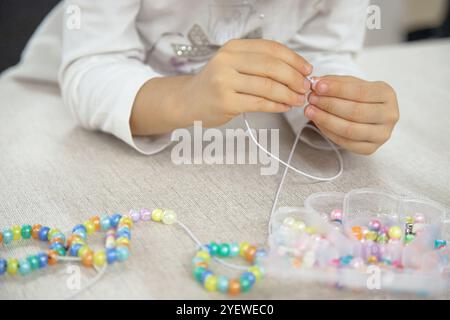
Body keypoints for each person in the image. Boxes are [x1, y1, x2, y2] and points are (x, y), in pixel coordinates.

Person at [12, 0, 399, 155]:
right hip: (43, 113)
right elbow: (91, 69)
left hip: (220, 143)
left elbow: (322, 50)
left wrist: (341, 106)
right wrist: (188, 97)